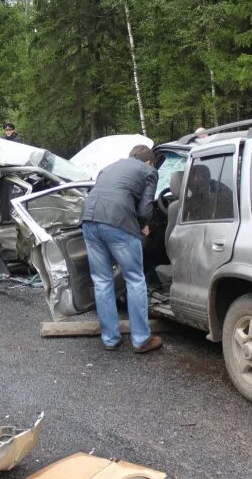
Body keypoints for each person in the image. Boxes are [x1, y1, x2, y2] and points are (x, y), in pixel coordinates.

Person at [81, 144, 161, 353]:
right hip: (118, 223)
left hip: (88, 219)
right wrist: (143, 225)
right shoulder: (149, 172)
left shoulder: (107, 168)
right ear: (148, 161)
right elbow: (145, 208)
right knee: (134, 279)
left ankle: (110, 339)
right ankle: (141, 339)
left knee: (102, 281)